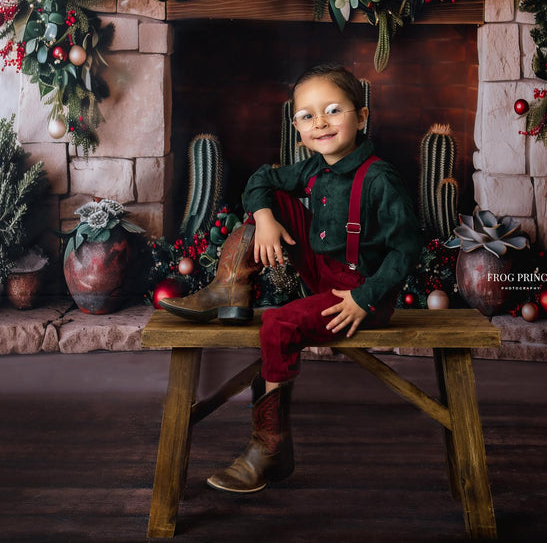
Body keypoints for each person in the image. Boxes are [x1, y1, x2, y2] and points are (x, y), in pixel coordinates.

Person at [159, 63, 423, 494]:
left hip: (358, 297)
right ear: (296, 126)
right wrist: (264, 218)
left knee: (278, 323)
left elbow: (406, 249)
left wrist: (365, 298)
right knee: (272, 196)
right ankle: (229, 288)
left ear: (362, 116)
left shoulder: (379, 178)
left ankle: (268, 448)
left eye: (333, 110)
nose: (320, 122)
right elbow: (262, 178)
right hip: (323, 274)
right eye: (307, 115)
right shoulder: (313, 169)